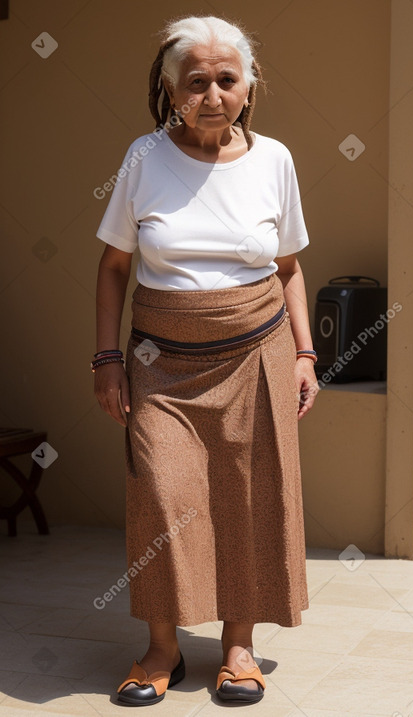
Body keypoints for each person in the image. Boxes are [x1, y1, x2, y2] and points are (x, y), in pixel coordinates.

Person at [93, 14, 318, 707]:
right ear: (170, 89)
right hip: (161, 364)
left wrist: (307, 352)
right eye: (197, 81)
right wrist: (107, 356)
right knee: (163, 494)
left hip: (257, 355)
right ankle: (162, 647)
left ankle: (239, 647)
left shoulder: (275, 160)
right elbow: (113, 268)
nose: (213, 92)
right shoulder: (143, 159)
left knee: (250, 499)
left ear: (250, 87)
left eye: (227, 78)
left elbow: (288, 267)